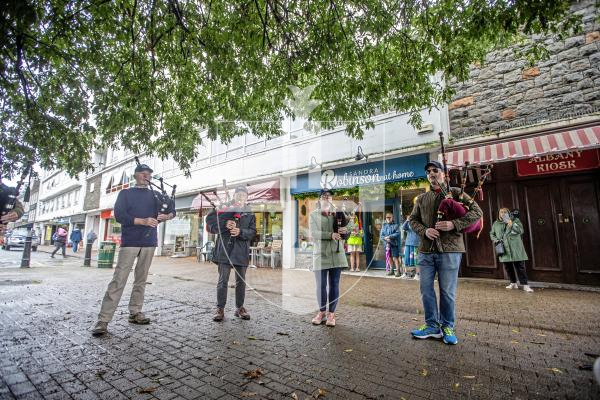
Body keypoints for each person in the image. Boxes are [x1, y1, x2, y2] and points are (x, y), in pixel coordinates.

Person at [92, 163, 175, 336]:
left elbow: (172, 210)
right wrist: (142, 221)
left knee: (141, 280)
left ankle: (135, 312)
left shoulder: (156, 194)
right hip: (130, 241)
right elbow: (120, 215)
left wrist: (166, 216)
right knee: (119, 279)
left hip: (149, 242)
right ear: (135, 176)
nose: (147, 176)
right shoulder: (126, 193)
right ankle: (103, 320)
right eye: (143, 173)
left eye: (149, 174)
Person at [409, 160, 482, 345]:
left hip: (450, 251)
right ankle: (431, 326)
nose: (431, 174)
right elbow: (413, 220)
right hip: (426, 250)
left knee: (447, 292)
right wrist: (424, 231)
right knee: (426, 289)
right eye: (428, 172)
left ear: (444, 173)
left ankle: (447, 325)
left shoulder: (456, 193)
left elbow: (477, 212)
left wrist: (453, 224)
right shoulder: (421, 199)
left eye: (435, 170)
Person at [206, 186, 257, 322]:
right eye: (238, 195)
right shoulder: (224, 207)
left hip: (241, 251)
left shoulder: (249, 212)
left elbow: (252, 232)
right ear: (234, 196)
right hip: (225, 250)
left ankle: (239, 308)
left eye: (243, 195)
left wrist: (241, 232)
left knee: (241, 281)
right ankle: (220, 309)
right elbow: (210, 222)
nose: (241, 197)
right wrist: (224, 224)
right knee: (223, 280)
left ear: (247, 198)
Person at [309, 188, 348, 327]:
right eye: (324, 197)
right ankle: (321, 312)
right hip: (320, 255)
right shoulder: (313, 215)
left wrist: (345, 233)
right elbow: (314, 233)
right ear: (319, 200)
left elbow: (345, 232)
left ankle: (331, 314)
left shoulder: (338, 214)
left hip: (337, 254)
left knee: (334, 284)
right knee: (321, 285)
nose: (327, 199)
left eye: (329, 197)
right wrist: (330, 235)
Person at [490, 208, 533, 293]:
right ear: (499, 214)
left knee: (520, 267)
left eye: (505, 212)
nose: (503, 213)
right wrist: (496, 240)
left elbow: (521, 231)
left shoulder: (515, 220)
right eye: (501, 212)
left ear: (509, 213)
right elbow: (491, 233)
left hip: (515, 247)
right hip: (504, 248)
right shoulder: (496, 223)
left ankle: (525, 285)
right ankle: (513, 283)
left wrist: (511, 224)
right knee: (508, 267)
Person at [380, 212, 401, 276]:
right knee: (389, 258)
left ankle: (398, 271)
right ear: (385, 218)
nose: (388, 218)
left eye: (390, 217)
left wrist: (390, 237)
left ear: (392, 218)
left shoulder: (396, 225)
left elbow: (397, 233)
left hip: (394, 244)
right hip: (387, 245)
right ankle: (391, 270)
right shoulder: (384, 226)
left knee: (395, 258)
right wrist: (385, 239)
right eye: (387, 217)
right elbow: (381, 236)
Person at [402, 215, 420, 280]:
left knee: (416, 260)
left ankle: (417, 274)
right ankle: (406, 273)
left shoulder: (418, 224)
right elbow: (403, 227)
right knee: (406, 259)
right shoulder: (408, 223)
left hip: (415, 244)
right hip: (408, 244)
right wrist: (407, 220)